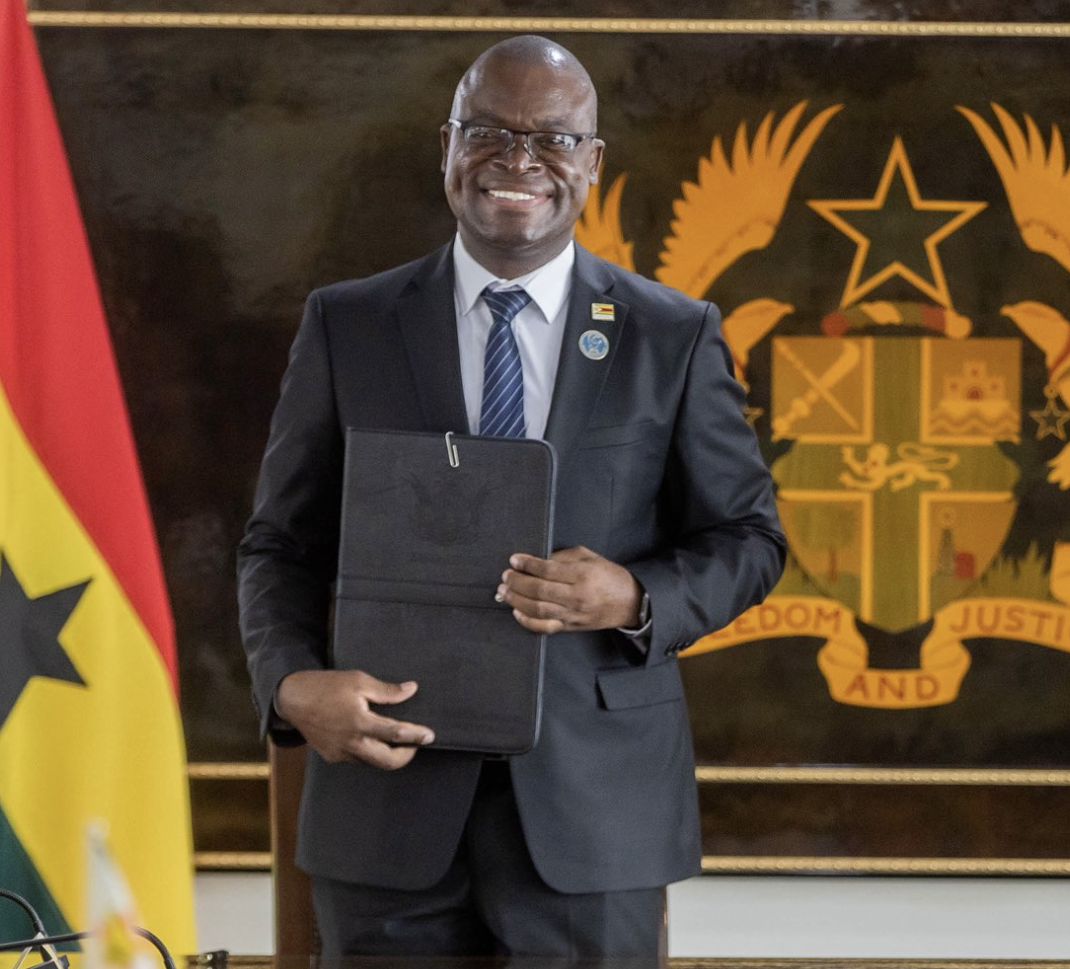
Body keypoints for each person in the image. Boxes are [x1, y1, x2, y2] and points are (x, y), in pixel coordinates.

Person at [237, 36, 785, 961]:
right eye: (488, 130)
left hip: (593, 817)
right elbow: (276, 546)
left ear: (593, 163)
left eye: (553, 139)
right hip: (386, 809)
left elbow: (751, 539)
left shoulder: (671, 335)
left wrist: (637, 597)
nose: (518, 161)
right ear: (446, 147)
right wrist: (291, 687)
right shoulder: (350, 323)